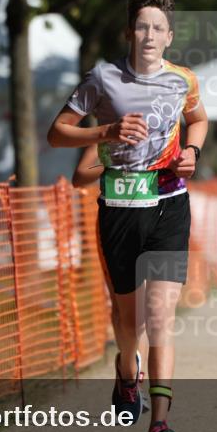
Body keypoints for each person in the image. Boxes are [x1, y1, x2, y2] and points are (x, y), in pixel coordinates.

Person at [47, 0, 208, 432]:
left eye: (158, 27)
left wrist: (192, 153)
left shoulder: (184, 81)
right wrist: (106, 133)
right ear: (129, 32)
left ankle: (159, 427)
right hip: (118, 207)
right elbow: (56, 134)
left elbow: (199, 121)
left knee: (159, 317)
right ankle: (125, 370)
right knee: (127, 322)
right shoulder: (102, 78)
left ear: (169, 36)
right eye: (142, 26)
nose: (150, 35)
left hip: (169, 206)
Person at [72, 145, 150, 414]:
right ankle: (129, 369)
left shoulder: (165, 129)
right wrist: (116, 162)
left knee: (150, 307)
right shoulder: (106, 138)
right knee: (125, 308)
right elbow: (80, 175)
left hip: (157, 219)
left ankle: (132, 372)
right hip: (116, 223)